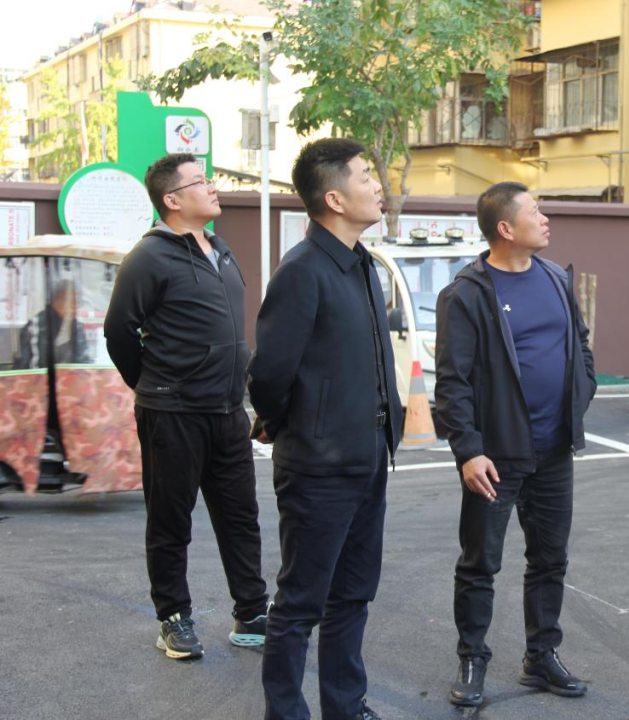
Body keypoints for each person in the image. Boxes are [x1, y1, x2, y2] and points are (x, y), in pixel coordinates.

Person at [248, 138, 402, 720]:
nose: (377, 185)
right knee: (300, 602)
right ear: (334, 198)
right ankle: (286, 712)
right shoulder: (303, 270)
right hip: (319, 467)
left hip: (368, 456)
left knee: (353, 595)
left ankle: (346, 705)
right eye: (365, 176)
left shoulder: (362, 263)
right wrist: (291, 425)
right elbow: (269, 374)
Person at [435, 181, 597, 708]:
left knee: (550, 560)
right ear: (505, 228)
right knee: (479, 563)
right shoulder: (467, 294)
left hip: (554, 450)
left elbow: (580, 344)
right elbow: (452, 382)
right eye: (535, 211)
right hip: (496, 456)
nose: (545, 218)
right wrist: (468, 450)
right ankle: (472, 658)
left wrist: (582, 393)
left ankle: (541, 656)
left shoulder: (555, 278)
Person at [104, 153, 269, 661]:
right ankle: (173, 617)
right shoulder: (149, 257)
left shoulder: (221, 250)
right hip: (172, 413)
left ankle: (251, 613)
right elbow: (119, 331)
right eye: (201, 181)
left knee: (241, 517)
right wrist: (154, 385)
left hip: (228, 412)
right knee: (171, 520)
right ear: (172, 200)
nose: (212, 187)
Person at [16, 280, 91, 369]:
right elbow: (32, 367)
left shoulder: (77, 327)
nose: (75, 306)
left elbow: (84, 360)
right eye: (71, 300)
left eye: (77, 301)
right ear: (55, 301)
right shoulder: (36, 326)